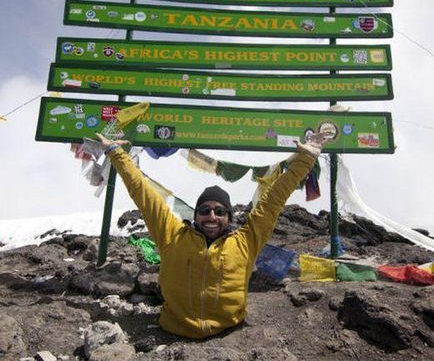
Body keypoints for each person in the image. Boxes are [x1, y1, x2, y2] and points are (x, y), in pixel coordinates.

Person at [96, 132, 326, 339]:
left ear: (229, 216)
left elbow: (273, 201)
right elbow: (144, 195)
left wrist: (306, 160)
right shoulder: (172, 235)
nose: (212, 216)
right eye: (204, 211)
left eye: (220, 211)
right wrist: (117, 153)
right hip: (173, 330)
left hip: (229, 332)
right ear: (196, 215)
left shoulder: (246, 241)